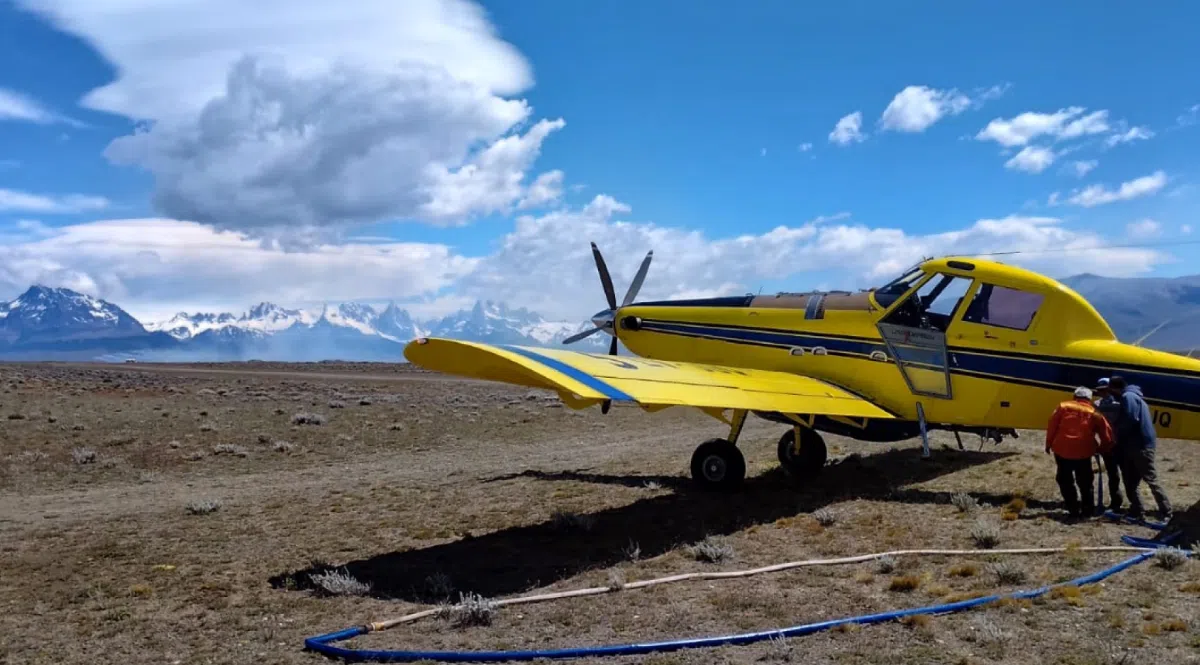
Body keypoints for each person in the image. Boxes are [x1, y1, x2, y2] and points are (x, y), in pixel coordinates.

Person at [1107, 375, 1174, 521]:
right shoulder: (1136, 396)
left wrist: (1115, 430)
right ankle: (1136, 511)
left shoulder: (1128, 397)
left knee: (1150, 479)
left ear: (1114, 388)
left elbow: (1130, 418)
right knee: (1131, 481)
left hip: (1139, 446)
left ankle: (1166, 511)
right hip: (1138, 444)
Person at [1045, 387, 1115, 520]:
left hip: (1062, 450)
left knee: (1065, 480)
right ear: (1089, 399)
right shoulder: (1094, 412)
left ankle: (1073, 510)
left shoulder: (1063, 406)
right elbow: (1107, 433)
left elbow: (1052, 425)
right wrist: (1103, 447)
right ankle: (1087, 511)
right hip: (1084, 452)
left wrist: (1048, 444)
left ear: (1074, 396)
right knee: (1085, 482)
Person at [1092, 378, 1125, 513]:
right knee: (1113, 475)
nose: (1103, 393)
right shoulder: (1096, 405)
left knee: (1126, 475)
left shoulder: (1121, 403)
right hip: (1108, 445)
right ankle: (1116, 502)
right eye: (1100, 391)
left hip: (1121, 443)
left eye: (1105, 390)